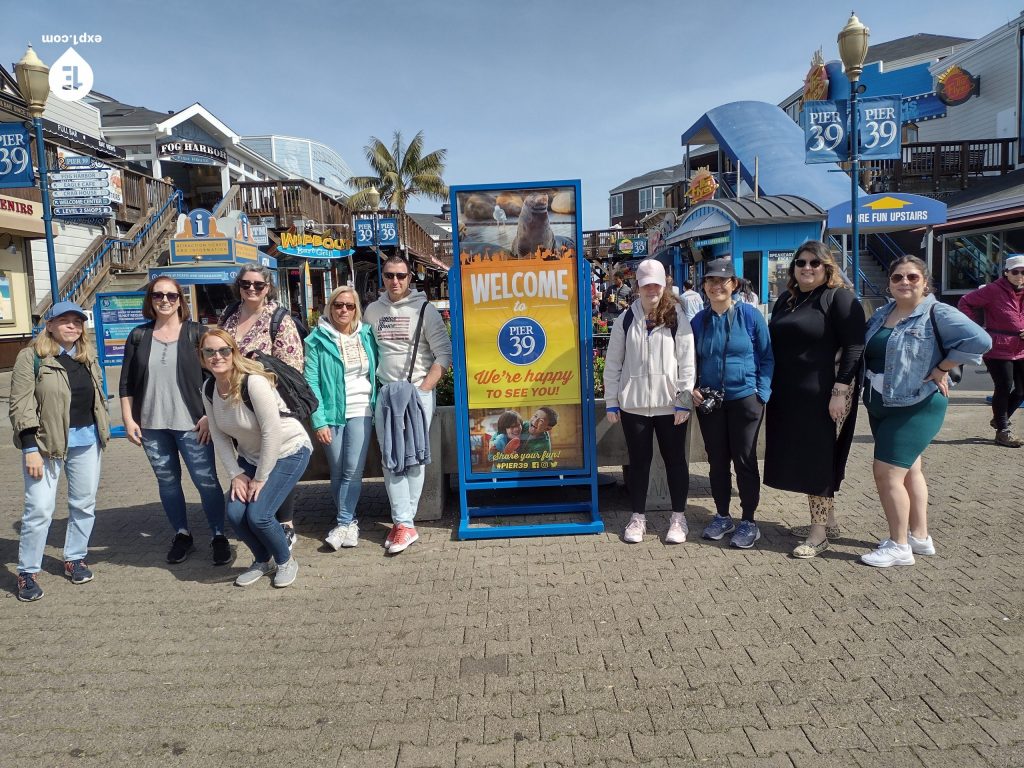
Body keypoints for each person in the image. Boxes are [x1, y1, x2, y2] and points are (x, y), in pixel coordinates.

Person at [860, 256, 990, 568]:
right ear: (889, 283)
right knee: (911, 470)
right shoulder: (882, 313)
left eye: (912, 277)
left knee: (887, 474)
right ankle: (919, 536)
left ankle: (899, 546)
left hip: (915, 403)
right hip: (881, 402)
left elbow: (981, 340)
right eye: (897, 277)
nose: (904, 282)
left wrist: (943, 366)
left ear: (925, 282)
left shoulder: (938, 312)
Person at [763, 241, 865, 559]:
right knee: (808, 458)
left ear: (827, 267)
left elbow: (854, 348)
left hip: (827, 395)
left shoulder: (839, 298)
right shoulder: (787, 299)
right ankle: (829, 521)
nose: (807, 268)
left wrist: (840, 391)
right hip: (792, 396)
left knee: (818, 461)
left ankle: (818, 533)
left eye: (814, 263)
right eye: (801, 262)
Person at [120, 277, 230, 566]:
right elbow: (126, 382)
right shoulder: (138, 336)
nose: (164, 300)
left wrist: (210, 415)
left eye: (171, 295)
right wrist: (128, 418)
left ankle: (219, 535)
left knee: (206, 482)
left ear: (180, 300)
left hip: (194, 424)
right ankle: (182, 535)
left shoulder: (197, 334)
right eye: (158, 295)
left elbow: (217, 377)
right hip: (152, 425)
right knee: (167, 481)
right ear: (150, 300)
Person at [10, 302, 111, 602]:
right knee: (40, 509)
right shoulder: (32, 357)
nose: (72, 326)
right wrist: (29, 447)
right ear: (49, 325)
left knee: (83, 503)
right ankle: (27, 572)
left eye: (77, 322)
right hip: (44, 445)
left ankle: (75, 558)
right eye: (64, 321)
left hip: (87, 441)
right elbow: (20, 404)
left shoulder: (86, 357)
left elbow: (98, 396)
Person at [200, 330, 312, 587]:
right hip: (251, 457)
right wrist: (236, 475)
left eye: (223, 350)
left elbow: (271, 432)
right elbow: (218, 435)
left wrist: (260, 478)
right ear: (202, 356)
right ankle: (264, 560)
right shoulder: (208, 389)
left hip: (288, 450)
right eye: (209, 351)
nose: (217, 357)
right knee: (237, 513)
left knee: (259, 515)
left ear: (233, 352)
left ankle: (285, 561)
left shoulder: (253, 383)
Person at [363, 255, 452, 555]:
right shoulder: (372, 311)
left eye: (401, 275)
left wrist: (424, 389)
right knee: (392, 457)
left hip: (416, 393)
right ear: (383, 277)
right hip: (386, 394)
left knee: (412, 456)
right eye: (389, 275)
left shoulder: (424, 310)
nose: (395, 281)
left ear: (410, 278)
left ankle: (404, 522)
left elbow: (443, 356)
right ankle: (404, 522)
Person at [604, 259, 696, 544]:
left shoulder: (677, 316)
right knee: (639, 464)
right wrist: (611, 400)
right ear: (638, 287)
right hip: (634, 406)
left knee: (675, 462)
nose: (651, 290)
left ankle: (678, 518)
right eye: (646, 285)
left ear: (664, 285)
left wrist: (683, 400)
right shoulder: (626, 318)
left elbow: (687, 362)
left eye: (656, 284)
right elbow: (614, 362)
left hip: (670, 406)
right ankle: (638, 518)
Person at [690, 258, 774, 549]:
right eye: (711, 281)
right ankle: (722, 516)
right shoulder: (698, 321)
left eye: (723, 281)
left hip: (745, 400)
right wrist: (692, 387)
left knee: (745, 460)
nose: (717, 286)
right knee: (716, 462)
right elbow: (690, 361)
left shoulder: (750, 316)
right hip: (710, 403)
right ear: (704, 286)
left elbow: (766, 357)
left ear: (734, 285)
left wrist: (761, 393)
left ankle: (749, 521)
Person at [220, 265, 304, 549]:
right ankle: (254, 509)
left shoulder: (278, 318)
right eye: (246, 284)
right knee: (250, 455)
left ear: (268, 287)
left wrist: (256, 379)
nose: (252, 289)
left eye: (258, 285)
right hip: (233, 404)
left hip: (268, 403)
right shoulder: (229, 316)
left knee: (277, 455)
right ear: (239, 286)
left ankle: (285, 523)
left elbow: (292, 366)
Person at [304, 285, 378, 551]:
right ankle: (350, 523)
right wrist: (318, 420)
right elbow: (311, 381)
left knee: (352, 470)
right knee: (337, 470)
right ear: (330, 307)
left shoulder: (367, 336)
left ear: (356, 309)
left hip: (361, 409)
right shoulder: (316, 340)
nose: (343, 310)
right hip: (332, 413)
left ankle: (343, 522)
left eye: (349, 305)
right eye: (338, 305)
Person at [957, 254, 1024, 447]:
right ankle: (1003, 430)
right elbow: (965, 302)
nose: (1020, 276)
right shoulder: (993, 290)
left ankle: (999, 418)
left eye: (1023, 272)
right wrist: (976, 328)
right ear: (1006, 273)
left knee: (1021, 390)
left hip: (1021, 347)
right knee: (1004, 386)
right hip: (998, 347)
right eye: (1015, 272)